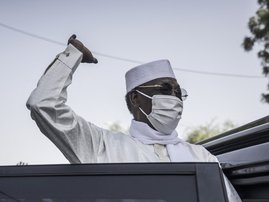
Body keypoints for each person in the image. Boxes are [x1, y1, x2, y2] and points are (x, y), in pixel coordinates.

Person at [26, 35, 241, 201]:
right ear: (136, 99)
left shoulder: (203, 158)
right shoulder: (102, 147)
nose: (174, 98)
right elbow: (43, 103)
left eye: (178, 92)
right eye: (165, 89)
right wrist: (73, 55)